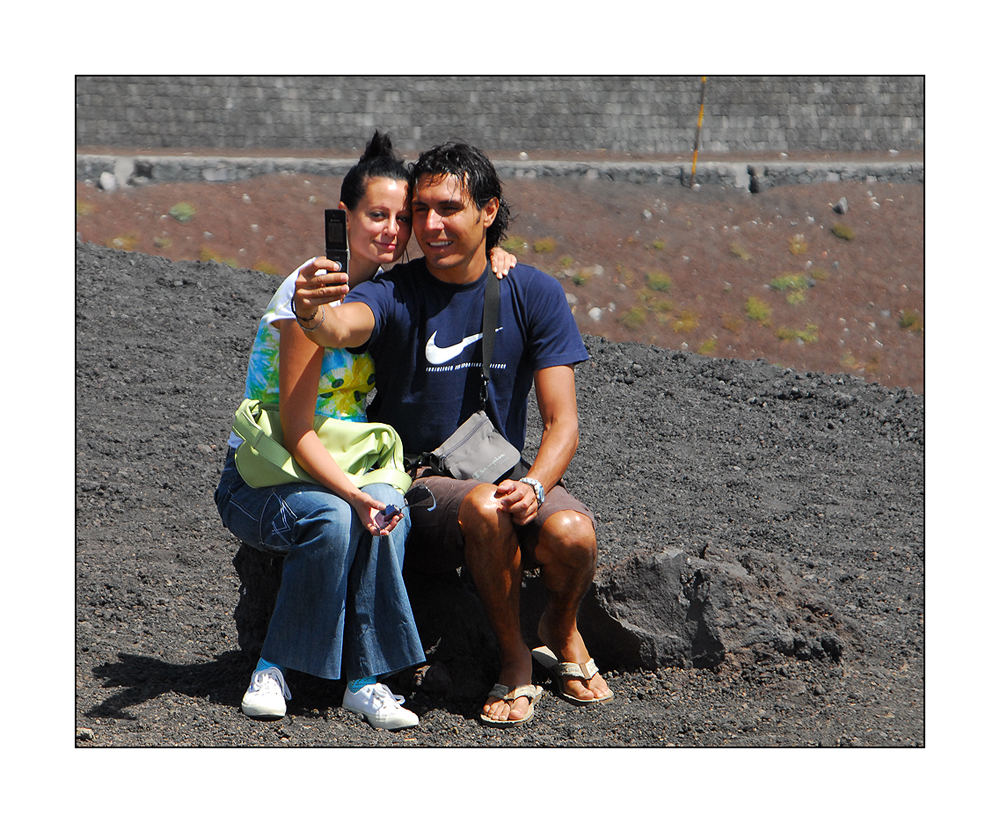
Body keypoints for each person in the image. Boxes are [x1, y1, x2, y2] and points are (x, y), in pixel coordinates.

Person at [293, 140, 613, 728]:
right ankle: (515, 659)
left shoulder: (532, 291)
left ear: (488, 213)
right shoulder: (398, 291)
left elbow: (563, 422)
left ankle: (558, 628)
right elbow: (345, 323)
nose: (429, 225)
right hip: (421, 483)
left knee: (572, 532)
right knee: (489, 509)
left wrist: (538, 485)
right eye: (421, 211)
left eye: (448, 209)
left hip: (502, 472)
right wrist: (313, 313)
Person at [214, 132, 517, 730]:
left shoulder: (384, 292)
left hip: (343, 462)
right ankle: (273, 668)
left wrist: (498, 256)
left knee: (388, 507)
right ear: (344, 215)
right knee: (334, 520)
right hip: (271, 472)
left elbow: (462, 270)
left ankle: (365, 680)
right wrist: (353, 496)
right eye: (377, 215)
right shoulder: (309, 297)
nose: (393, 230)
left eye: (402, 218)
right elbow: (298, 431)